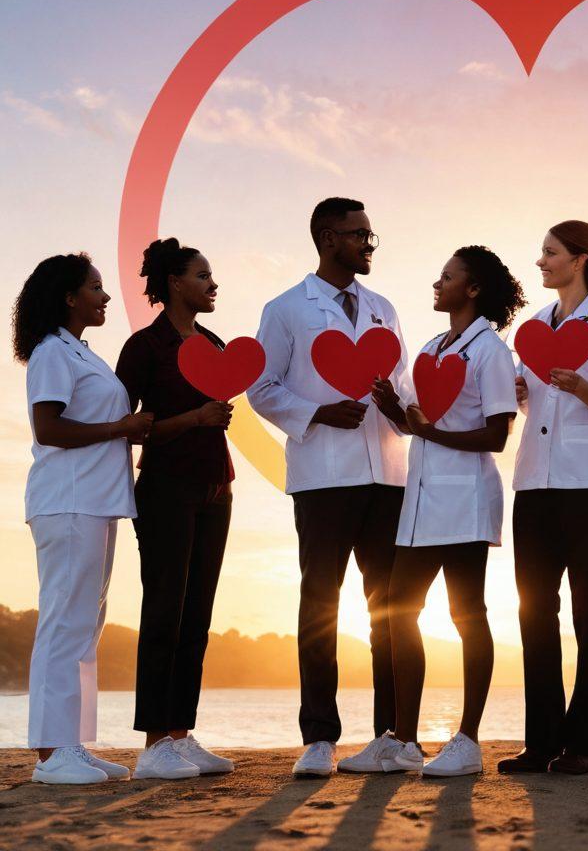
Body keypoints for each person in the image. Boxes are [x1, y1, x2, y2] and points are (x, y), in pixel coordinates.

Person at [344, 246, 524, 776]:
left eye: (447, 277)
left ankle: (468, 740)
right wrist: (392, 409)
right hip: (421, 501)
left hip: (466, 497)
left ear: (473, 289)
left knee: (468, 614)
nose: (437, 283)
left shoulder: (490, 351)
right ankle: (403, 741)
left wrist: (427, 431)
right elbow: (418, 423)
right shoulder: (429, 348)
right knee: (398, 608)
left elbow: (496, 435)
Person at [249, 198, 412, 777]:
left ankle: (390, 734)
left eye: (371, 235)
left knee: (390, 609)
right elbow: (261, 387)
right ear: (327, 237)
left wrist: (401, 406)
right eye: (359, 234)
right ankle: (319, 738)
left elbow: (404, 385)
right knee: (321, 602)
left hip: (387, 476)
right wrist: (317, 413)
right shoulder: (286, 309)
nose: (369, 244)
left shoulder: (383, 309)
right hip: (323, 479)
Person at [497, 221, 588, 776]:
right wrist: (519, 392)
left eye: (550, 252)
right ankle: (542, 742)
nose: (541, 261)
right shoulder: (534, 327)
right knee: (534, 613)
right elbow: (535, 404)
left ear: (581, 260)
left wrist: (581, 386)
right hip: (535, 482)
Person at [14, 253, 152, 784]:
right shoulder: (52, 352)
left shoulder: (80, 352)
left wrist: (123, 428)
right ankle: (51, 754)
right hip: (67, 501)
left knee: (86, 624)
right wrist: (121, 428)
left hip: (95, 501)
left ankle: (73, 743)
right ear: (69, 298)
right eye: (95, 288)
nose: (106, 296)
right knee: (64, 622)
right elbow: (48, 429)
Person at [115, 239, 236, 780]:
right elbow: (126, 428)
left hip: (217, 488)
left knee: (198, 616)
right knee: (164, 610)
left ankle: (182, 735)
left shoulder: (214, 343)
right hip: (166, 489)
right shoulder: (144, 347)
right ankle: (153, 743)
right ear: (174, 283)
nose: (212, 284)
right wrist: (195, 419)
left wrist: (214, 420)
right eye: (202, 275)